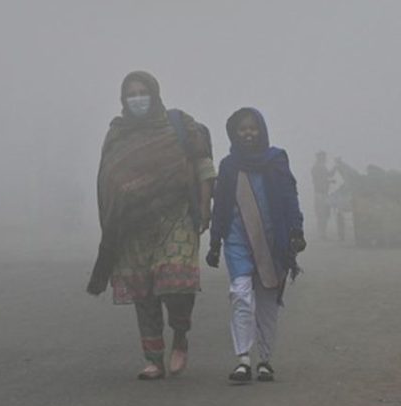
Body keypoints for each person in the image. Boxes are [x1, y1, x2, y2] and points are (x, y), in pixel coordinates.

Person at [87, 71, 215, 380]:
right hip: (133, 224)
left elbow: (203, 164)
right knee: (143, 292)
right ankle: (154, 358)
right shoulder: (117, 133)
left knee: (176, 284)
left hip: (177, 216)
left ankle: (180, 336)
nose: (137, 98)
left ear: (154, 94)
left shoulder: (179, 124)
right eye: (131, 93)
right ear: (123, 99)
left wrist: (205, 205)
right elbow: (108, 176)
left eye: (142, 91)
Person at [205, 108, 305, 383]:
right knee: (240, 294)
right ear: (234, 133)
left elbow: (289, 196)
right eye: (242, 129)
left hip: (273, 242)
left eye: (253, 128)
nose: (248, 133)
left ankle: (265, 360)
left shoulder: (276, 160)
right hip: (237, 240)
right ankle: (243, 359)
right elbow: (221, 206)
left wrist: (297, 230)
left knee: (267, 301)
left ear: (261, 130)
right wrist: (215, 242)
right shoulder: (228, 166)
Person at [311, 151, 335, 239]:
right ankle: (322, 233)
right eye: (324, 157)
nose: (325, 159)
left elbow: (327, 176)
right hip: (320, 194)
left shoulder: (320, 167)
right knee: (322, 214)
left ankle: (322, 233)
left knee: (323, 214)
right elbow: (321, 179)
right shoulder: (317, 168)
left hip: (322, 193)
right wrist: (328, 181)